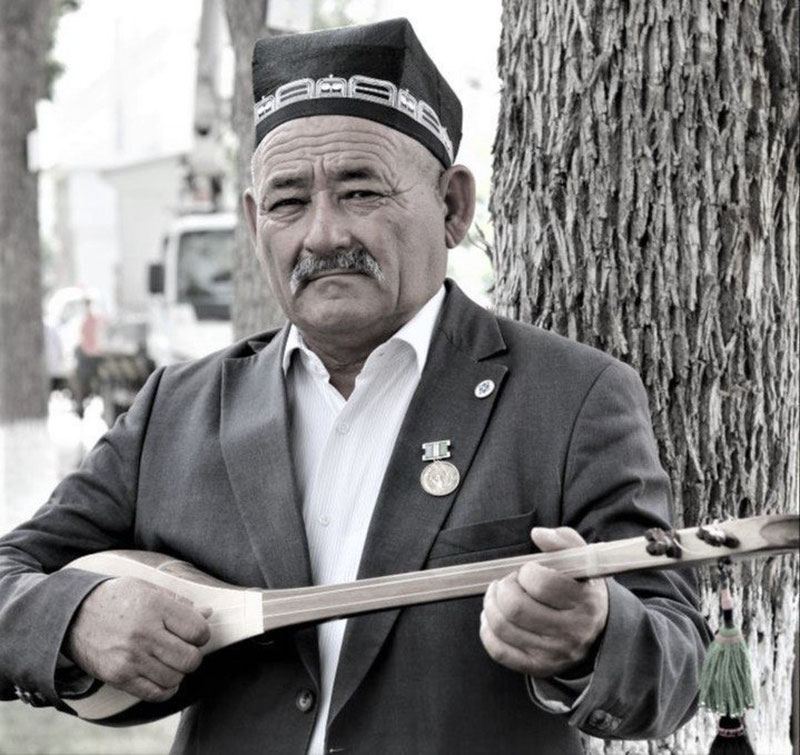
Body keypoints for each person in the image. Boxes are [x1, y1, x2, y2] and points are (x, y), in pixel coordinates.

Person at [0, 18, 709, 755]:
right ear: (253, 222)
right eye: (287, 202)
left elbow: (678, 657)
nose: (322, 234)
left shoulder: (572, 397)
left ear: (454, 206)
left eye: (360, 190)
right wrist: (76, 615)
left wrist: (592, 635)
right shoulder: (177, 410)